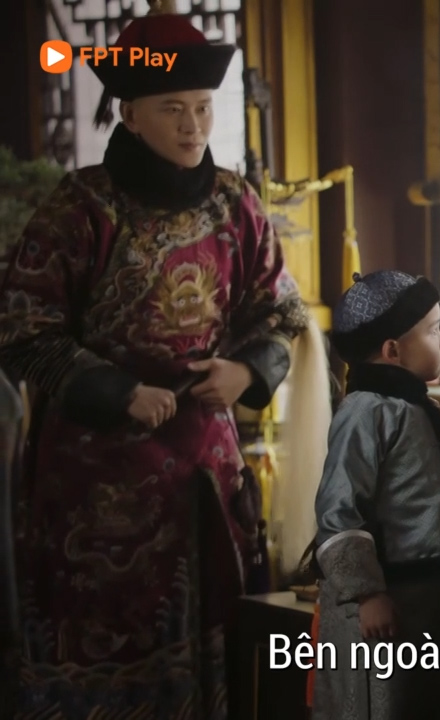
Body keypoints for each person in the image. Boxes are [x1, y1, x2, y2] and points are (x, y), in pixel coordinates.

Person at [0, 3, 311, 717]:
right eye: (173, 109)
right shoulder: (80, 206)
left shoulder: (234, 202)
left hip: (206, 461)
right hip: (95, 475)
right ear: (130, 115)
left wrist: (248, 372)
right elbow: (21, 327)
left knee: (219, 630)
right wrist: (118, 392)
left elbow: (282, 311)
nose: (193, 125)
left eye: (202, 107)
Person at [310, 271, 440, 720]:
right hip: (383, 603)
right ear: (392, 351)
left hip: (425, 594)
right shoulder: (365, 411)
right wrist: (367, 594)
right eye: (433, 330)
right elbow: (339, 510)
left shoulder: (419, 408)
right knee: (379, 703)